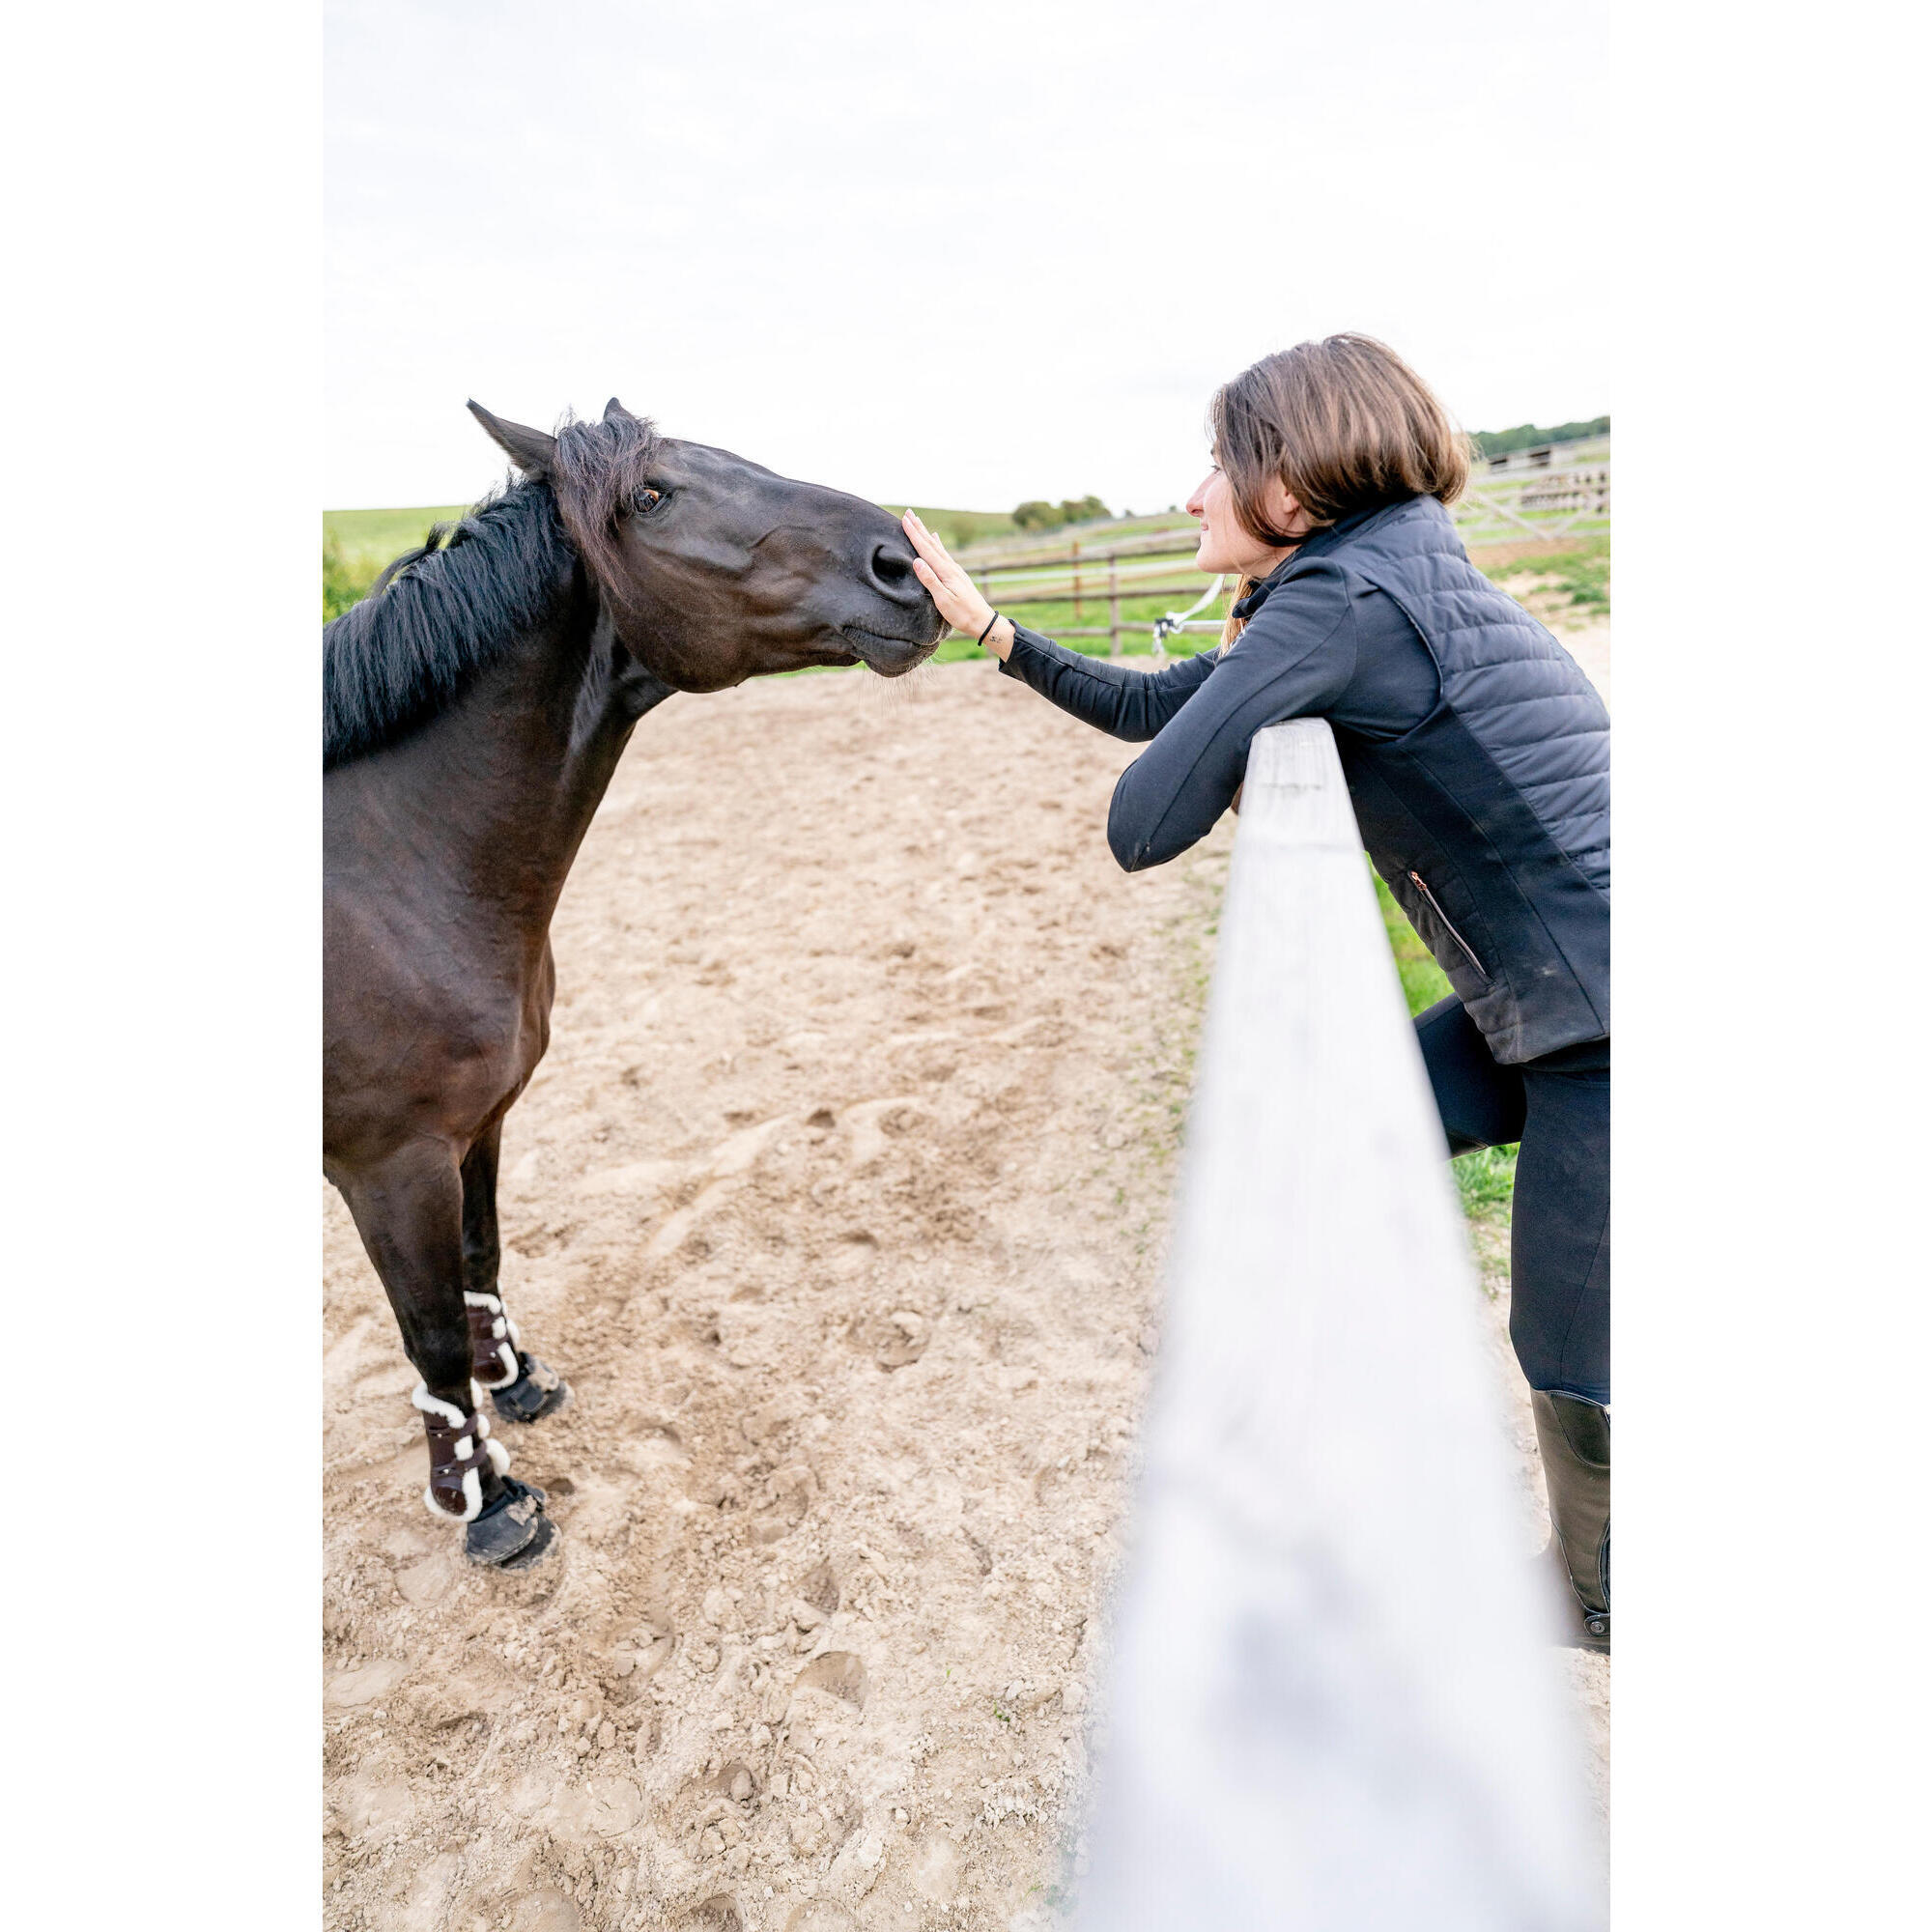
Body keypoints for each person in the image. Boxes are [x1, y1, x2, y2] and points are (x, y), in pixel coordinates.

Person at [901, 334, 1610, 1651]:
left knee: (1570, 1357)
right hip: (1554, 999)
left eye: (1219, 464)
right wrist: (996, 634)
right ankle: (1336, 1431)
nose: (1192, 497)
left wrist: (1254, 655)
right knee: (1325, 1126)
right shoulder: (1376, 574)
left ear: (1291, 481)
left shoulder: (1336, 605)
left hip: (1606, 1031)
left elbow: (1145, 815)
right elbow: (1175, 705)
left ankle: (1596, 1600)